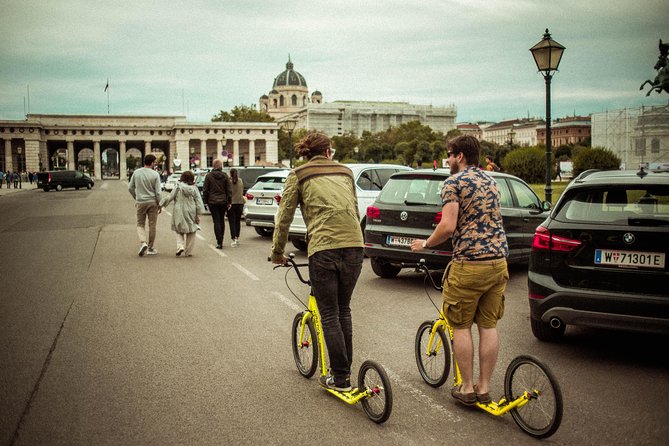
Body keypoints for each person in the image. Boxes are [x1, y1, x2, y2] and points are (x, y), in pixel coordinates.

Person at [411, 135, 509, 406]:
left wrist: (426, 244)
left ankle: (466, 388)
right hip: (498, 261)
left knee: (461, 326)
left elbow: (448, 226)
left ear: (460, 156)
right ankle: (484, 386)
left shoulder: (453, 183)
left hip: (470, 264)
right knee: (488, 326)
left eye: (450, 154)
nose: (448, 160)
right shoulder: (492, 181)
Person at [271, 132, 364, 392]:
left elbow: (284, 217)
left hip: (324, 248)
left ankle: (341, 378)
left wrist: (277, 252)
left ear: (307, 153)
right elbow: (354, 209)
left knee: (330, 314)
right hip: (355, 245)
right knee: (343, 309)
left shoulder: (298, 174)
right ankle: (345, 372)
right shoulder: (345, 172)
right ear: (328, 152)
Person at [160, 171, 205, 257]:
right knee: (192, 229)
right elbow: (198, 201)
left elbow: (170, 197)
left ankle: (180, 246)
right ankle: (188, 251)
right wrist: (198, 214)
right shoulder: (194, 188)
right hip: (191, 209)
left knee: (178, 228)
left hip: (179, 209)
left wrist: (161, 204)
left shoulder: (178, 187)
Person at [128, 154, 162, 256]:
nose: (155, 164)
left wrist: (136, 197)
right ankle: (151, 248)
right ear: (151, 163)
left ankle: (143, 242)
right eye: (154, 162)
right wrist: (160, 204)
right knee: (152, 225)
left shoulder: (136, 173)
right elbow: (158, 192)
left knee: (140, 224)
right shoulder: (155, 174)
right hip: (152, 202)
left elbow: (130, 187)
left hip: (141, 202)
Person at [203, 159, 232, 249]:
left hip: (213, 201)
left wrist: (206, 201)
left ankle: (219, 241)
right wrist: (229, 201)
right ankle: (221, 239)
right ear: (220, 166)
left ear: (213, 166)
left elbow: (205, 190)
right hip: (223, 201)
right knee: (221, 220)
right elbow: (229, 190)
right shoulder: (225, 176)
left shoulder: (208, 176)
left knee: (216, 221)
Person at [227, 168, 244, 247]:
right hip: (240, 203)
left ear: (230, 174)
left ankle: (233, 238)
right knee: (237, 221)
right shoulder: (240, 181)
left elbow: (228, 192)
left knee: (232, 222)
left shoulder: (229, 182)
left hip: (232, 204)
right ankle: (237, 237)